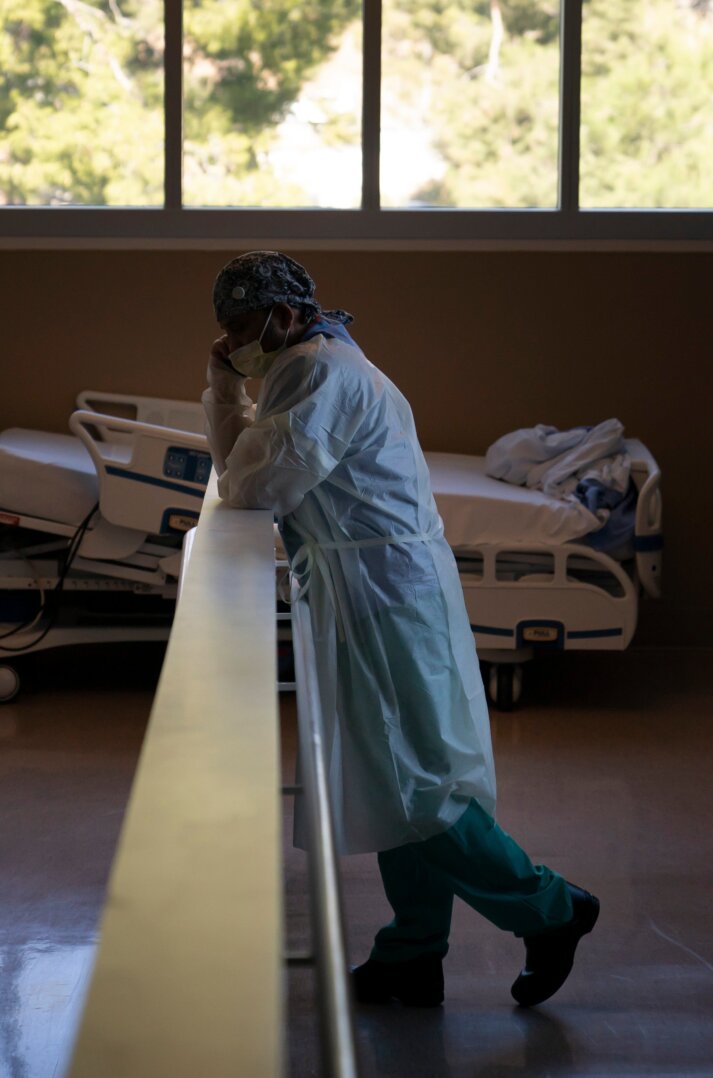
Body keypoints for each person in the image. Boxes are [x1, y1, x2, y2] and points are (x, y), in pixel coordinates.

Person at [201, 251, 600, 1008]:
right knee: (396, 780)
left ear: (285, 315)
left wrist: (223, 395)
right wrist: (228, 395)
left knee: (417, 789)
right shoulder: (316, 362)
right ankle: (413, 951)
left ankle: (552, 909)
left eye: (243, 328)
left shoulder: (317, 370)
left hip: (381, 595)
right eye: (223, 333)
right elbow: (250, 474)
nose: (233, 345)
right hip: (379, 590)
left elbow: (254, 487)